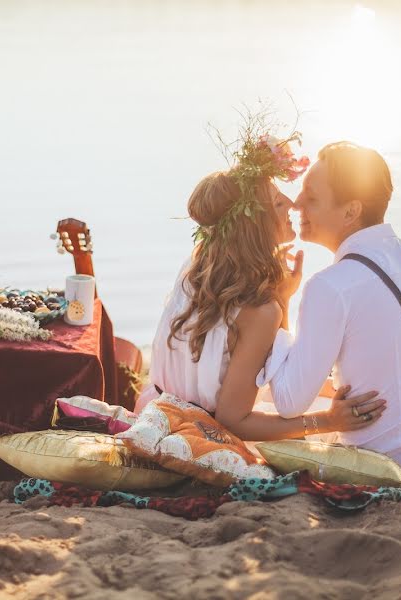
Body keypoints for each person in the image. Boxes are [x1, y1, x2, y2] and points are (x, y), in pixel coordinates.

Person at [137, 135, 387, 440]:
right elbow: (234, 420)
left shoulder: (197, 266)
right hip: (201, 437)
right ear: (258, 223)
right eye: (280, 202)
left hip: (154, 411)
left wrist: (282, 299)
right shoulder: (259, 311)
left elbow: (262, 363)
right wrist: (328, 422)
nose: (293, 204)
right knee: (331, 420)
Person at [259, 141, 401, 479]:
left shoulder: (330, 285)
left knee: (252, 416)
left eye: (311, 197)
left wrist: (280, 301)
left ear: (351, 212)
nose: (297, 202)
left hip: (383, 467)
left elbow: (289, 402)